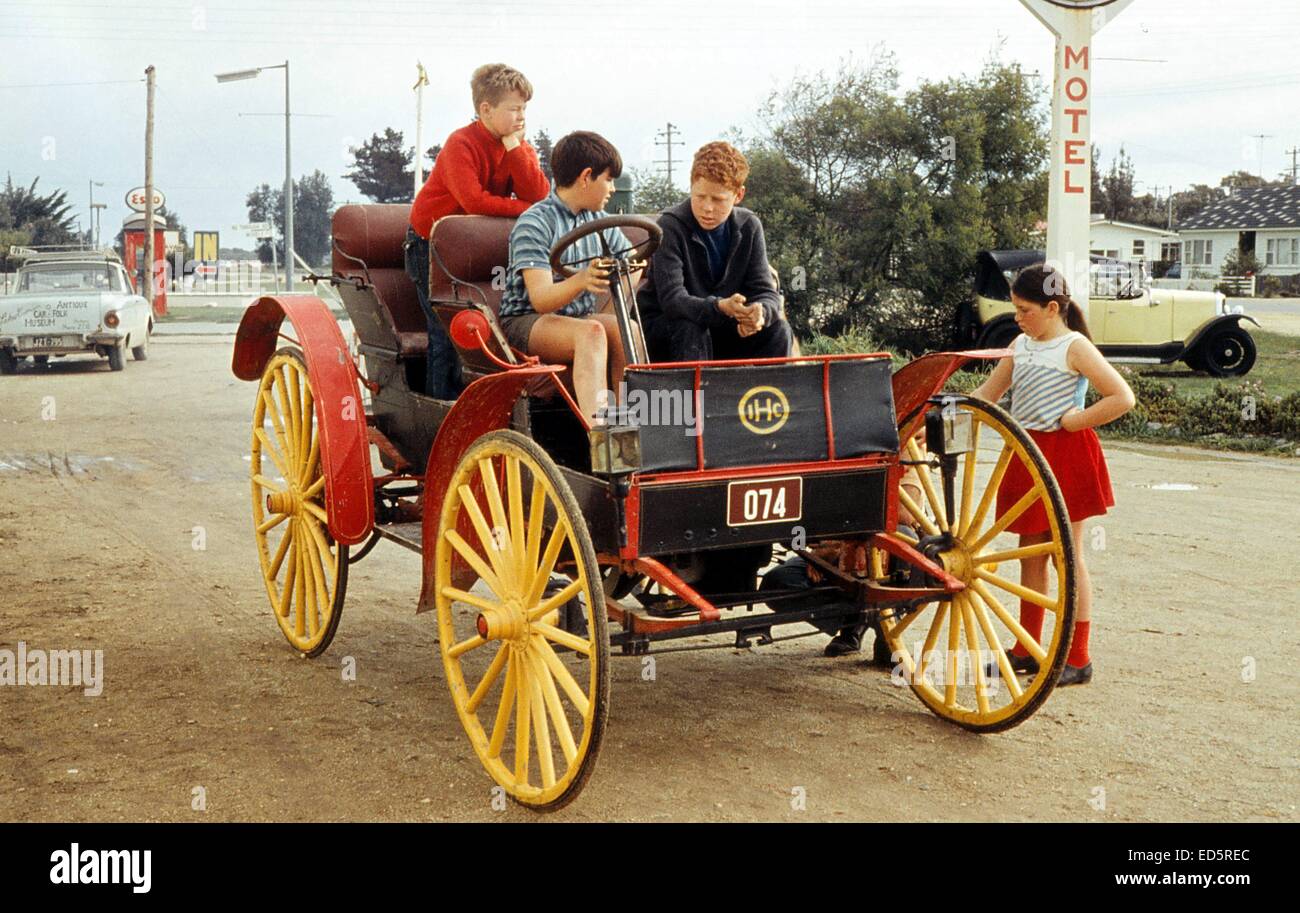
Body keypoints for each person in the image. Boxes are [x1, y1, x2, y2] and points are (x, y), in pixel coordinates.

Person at [970, 263, 1135, 686]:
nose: (1018, 318)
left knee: (1067, 555)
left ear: (1052, 307)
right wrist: (945, 407)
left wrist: (1076, 422)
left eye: (1025, 310)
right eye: (1015, 310)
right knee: (1030, 552)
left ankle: (1078, 657)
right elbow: (987, 395)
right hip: (1026, 455)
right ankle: (1027, 647)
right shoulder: (1021, 344)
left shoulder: (1074, 346)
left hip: (1066, 454)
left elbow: (1122, 397)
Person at [405, 63, 551, 399]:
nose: (521, 116)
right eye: (514, 109)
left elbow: (540, 194)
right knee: (448, 330)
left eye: (524, 108)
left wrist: (518, 149)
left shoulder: (513, 144)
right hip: (430, 248)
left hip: (475, 248)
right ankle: (443, 412)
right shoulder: (461, 144)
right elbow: (473, 201)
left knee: (496, 326)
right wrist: (526, 209)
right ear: (485, 109)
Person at [497, 131, 641, 422]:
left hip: (577, 317)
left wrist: (617, 291)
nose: (612, 189)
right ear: (586, 176)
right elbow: (540, 300)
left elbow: (633, 264)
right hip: (526, 322)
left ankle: (634, 427)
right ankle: (600, 436)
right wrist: (581, 280)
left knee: (627, 329)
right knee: (591, 333)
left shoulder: (598, 221)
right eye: (608, 179)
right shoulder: (535, 222)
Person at [638, 141, 792, 362]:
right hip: (671, 329)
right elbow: (673, 300)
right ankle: (695, 397)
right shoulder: (670, 226)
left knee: (778, 330)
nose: (707, 208)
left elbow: (765, 291)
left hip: (723, 327)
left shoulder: (750, 226)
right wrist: (720, 307)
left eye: (718, 200)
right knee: (690, 327)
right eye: (699, 197)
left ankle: (770, 395)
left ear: (738, 195)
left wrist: (759, 314)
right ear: (691, 187)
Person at [760, 469, 924, 660]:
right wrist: (815, 552)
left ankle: (887, 630)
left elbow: (903, 513)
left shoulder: (898, 447)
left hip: (879, 544)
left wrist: (838, 543)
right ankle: (853, 623)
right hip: (835, 549)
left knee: (903, 539)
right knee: (777, 584)